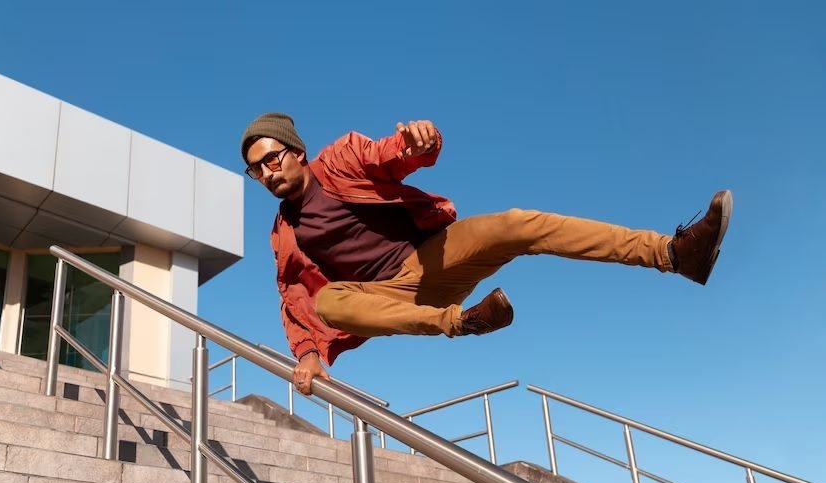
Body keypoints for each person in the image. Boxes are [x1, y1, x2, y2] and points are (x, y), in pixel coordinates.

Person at [240, 113, 732, 395]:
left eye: (271, 159)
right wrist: (307, 355)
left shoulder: (339, 159)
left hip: (433, 258)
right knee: (328, 302)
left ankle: (673, 253)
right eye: (255, 171)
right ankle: (463, 322)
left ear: (296, 152)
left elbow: (386, 154)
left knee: (519, 224)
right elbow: (294, 298)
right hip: (389, 299)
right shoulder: (285, 233)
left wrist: (416, 144)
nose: (266, 173)